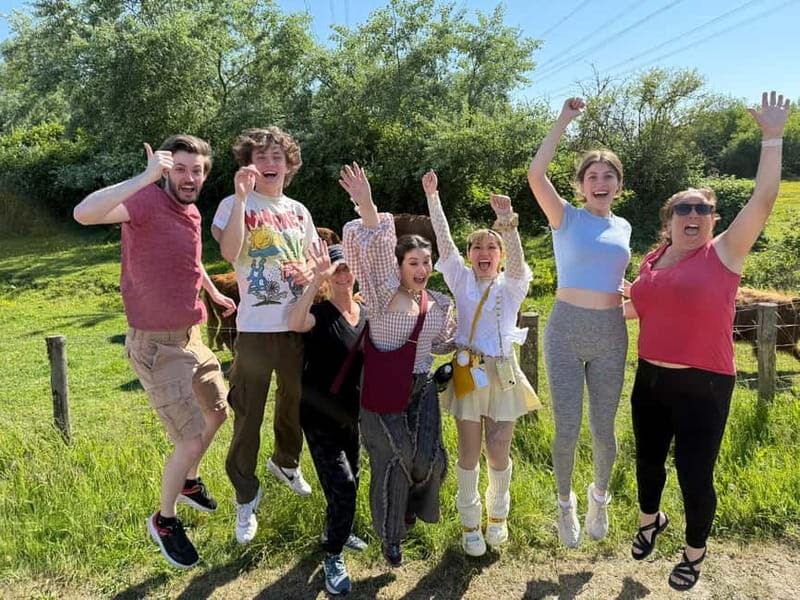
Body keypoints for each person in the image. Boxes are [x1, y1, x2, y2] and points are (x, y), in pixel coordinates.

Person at [625, 91, 790, 592]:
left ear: (714, 220)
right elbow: (639, 307)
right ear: (669, 218)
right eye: (683, 208)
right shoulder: (653, 260)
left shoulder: (724, 254)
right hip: (650, 377)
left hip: (704, 385)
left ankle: (694, 552)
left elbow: (763, 198)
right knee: (648, 464)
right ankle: (650, 521)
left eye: (703, 208)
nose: (693, 214)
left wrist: (772, 137)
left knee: (694, 475)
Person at [73, 135, 236, 569]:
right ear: (166, 169)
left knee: (218, 412)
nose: (190, 178)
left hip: (191, 337)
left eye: (197, 170)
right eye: (180, 169)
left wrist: (215, 293)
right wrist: (143, 177)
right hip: (155, 346)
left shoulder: (193, 212)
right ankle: (164, 520)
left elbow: (191, 260)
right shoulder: (144, 202)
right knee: (188, 438)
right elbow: (83, 214)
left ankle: (188, 482)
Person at [528, 97, 632, 547]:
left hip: (611, 332)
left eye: (608, 176)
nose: (601, 182)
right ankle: (565, 505)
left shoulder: (625, 227)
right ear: (581, 186)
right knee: (568, 426)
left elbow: (618, 275)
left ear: (618, 185)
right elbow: (535, 175)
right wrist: (563, 120)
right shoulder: (564, 218)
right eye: (592, 176)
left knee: (605, 429)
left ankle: (599, 498)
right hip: (566, 330)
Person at [340, 163, 455, 568]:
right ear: (399, 266)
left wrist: (481, 338)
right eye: (413, 263)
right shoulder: (382, 291)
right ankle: (391, 539)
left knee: (427, 459)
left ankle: (410, 508)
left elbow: (442, 343)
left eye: (426, 262)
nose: (422, 270)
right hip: (382, 389)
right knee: (394, 459)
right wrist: (367, 203)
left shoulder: (439, 303)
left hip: (422, 387)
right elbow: (373, 243)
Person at [422, 171, 541, 556]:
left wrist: (507, 225)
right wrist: (433, 197)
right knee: (470, 450)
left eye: (492, 247)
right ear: (470, 254)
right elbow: (443, 242)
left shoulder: (513, 284)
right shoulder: (460, 279)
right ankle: (469, 523)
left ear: (500, 255)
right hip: (468, 371)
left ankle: (498, 516)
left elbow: (520, 262)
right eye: (477, 247)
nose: (484, 252)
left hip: (504, 372)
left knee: (499, 448)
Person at [211, 126, 317, 545]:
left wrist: (308, 272)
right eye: (261, 157)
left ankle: (286, 462)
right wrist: (239, 198)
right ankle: (244, 496)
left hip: (294, 327)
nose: (270, 164)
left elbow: (313, 261)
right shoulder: (232, 204)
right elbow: (229, 251)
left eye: (278, 157)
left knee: (294, 403)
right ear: (248, 164)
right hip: (254, 330)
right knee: (248, 413)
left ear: (289, 165)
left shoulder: (299, 211)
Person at [287, 241, 367, 596]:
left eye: (349, 268)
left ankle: (338, 530)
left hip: (353, 414)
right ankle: (332, 554)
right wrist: (314, 278)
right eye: (337, 269)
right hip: (318, 416)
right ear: (329, 274)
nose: (344, 274)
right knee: (344, 485)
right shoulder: (318, 313)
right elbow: (294, 321)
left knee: (352, 480)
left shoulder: (366, 314)